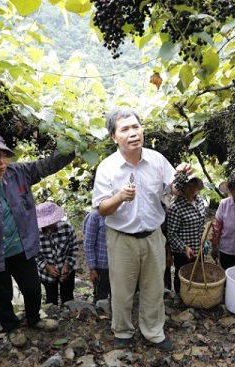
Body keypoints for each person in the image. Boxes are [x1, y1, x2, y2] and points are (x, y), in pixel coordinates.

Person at [0, 133, 76, 347]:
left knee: (32, 288)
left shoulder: (19, 173)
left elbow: (48, 165)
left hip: (22, 248)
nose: (2, 162)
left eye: (4, 156)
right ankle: (11, 326)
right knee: (2, 295)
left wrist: (72, 146)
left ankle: (33, 318)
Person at [92, 106, 191, 352]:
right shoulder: (107, 168)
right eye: (125, 129)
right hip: (121, 238)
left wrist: (180, 177)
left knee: (154, 287)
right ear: (115, 137)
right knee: (122, 289)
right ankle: (123, 331)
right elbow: (102, 209)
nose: (133, 133)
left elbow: (170, 194)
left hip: (153, 236)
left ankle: (154, 331)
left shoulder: (157, 160)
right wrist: (119, 198)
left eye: (136, 126)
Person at [166, 176, 206, 293]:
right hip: (183, 252)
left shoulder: (199, 201)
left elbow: (201, 225)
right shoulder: (176, 207)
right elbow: (171, 234)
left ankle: (195, 296)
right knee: (182, 274)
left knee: (197, 273)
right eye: (189, 184)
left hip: (199, 248)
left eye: (194, 183)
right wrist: (184, 247)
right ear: (182, 187)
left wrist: (204, 242)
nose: (192, 186)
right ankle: (179, 296)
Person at [35, 202, 77, 306]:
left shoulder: (67, 228)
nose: (49, 225)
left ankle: (68, 316)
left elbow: (73, 248)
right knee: (51, 298)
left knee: (67, 297)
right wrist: (46, 266)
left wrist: (67, 265)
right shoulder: (35, 233)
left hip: (67, 270)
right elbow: (34, 254)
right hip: (46, 273)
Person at [210, 175, 235, 270]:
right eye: (232, 189)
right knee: (226, 274)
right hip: (226, 248)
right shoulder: (224, 204)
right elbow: (217, 226)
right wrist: (214, 246)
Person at [83, 208, 111, 304]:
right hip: (101, 265)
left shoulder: (119, 213)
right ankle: (101, 316)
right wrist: (92, 268)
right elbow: (88, 243)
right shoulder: (95, 216)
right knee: (100, 296)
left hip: (117, 263)